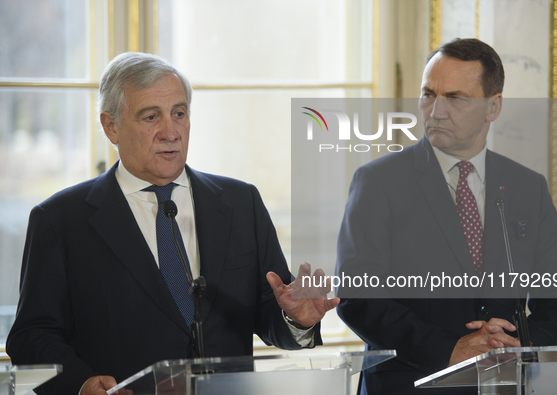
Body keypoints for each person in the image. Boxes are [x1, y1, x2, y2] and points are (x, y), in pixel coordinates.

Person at [7, 52, 339, 395]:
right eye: (151, 117)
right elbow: (32, 337)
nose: (171, 132)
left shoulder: (241, 203)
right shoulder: (61, 219)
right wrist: (82, 384)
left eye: (179, 114)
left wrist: (296, 319)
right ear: (111, 127)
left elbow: (270, 314)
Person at [335, 38, 557, 395]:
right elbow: (357, 297)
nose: (436, 110)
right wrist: (449, 349)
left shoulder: (527, 187)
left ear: (492, 106)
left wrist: (519, 347)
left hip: (503, 385)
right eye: (428, 94)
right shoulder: (378, 182)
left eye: (454, 98)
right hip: (408, 385)